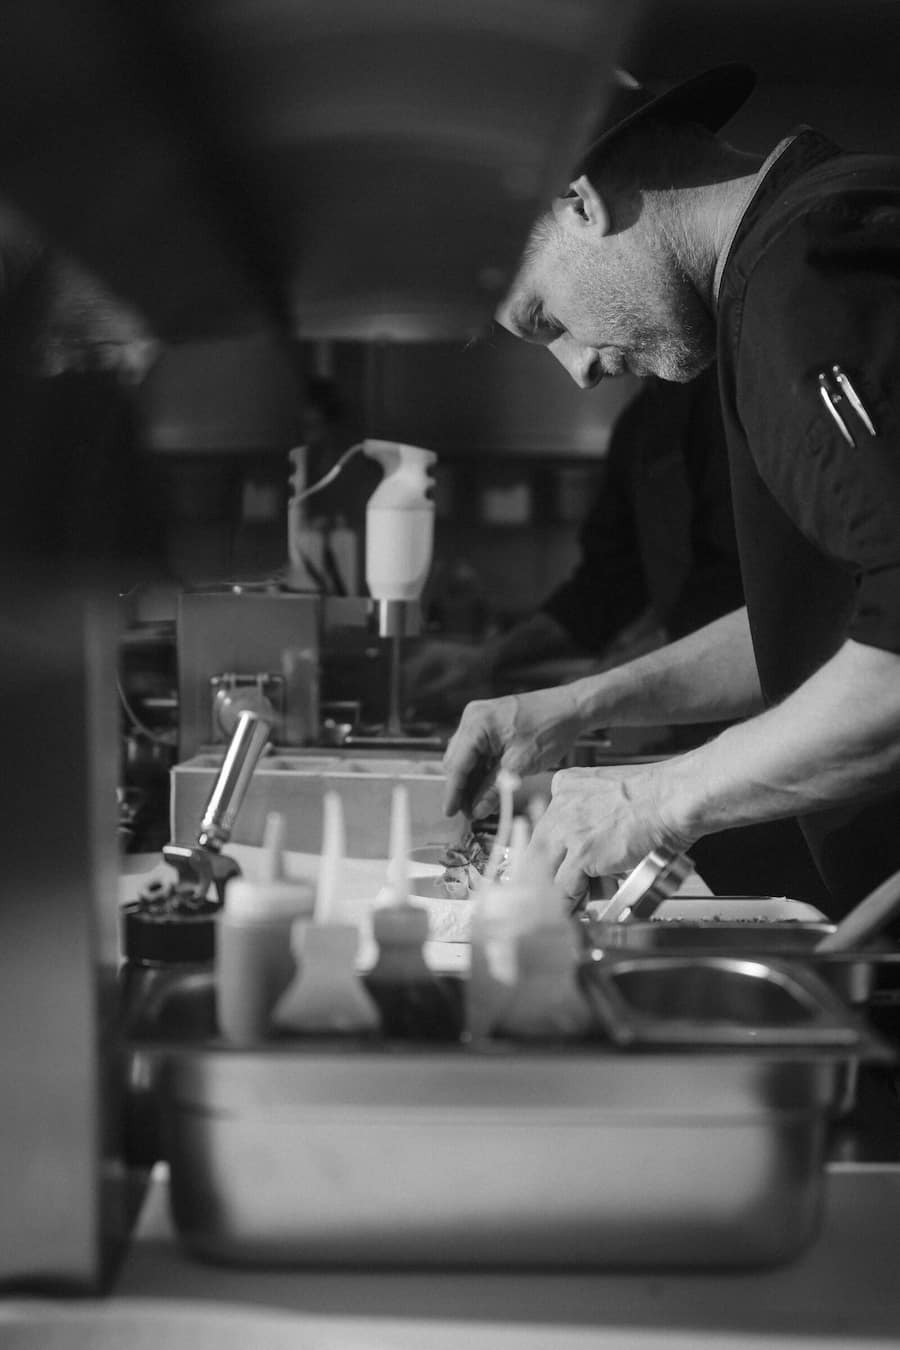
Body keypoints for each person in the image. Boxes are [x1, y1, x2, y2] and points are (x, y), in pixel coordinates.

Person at [443, 63, 900, 920]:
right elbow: (834, 618)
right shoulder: (791, 267)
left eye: (546, 319)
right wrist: (580, 704)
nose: (577, 369)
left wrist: (651, 800)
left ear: (582, 202)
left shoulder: (810, 285)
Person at [407, 366, 742, 721]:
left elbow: (728, 595)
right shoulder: (640, 424)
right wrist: (484, 659)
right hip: (691, 717)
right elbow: (604, 589)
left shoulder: (730, 401)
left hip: (759, 701)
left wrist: (596, 688)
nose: (582, 366)